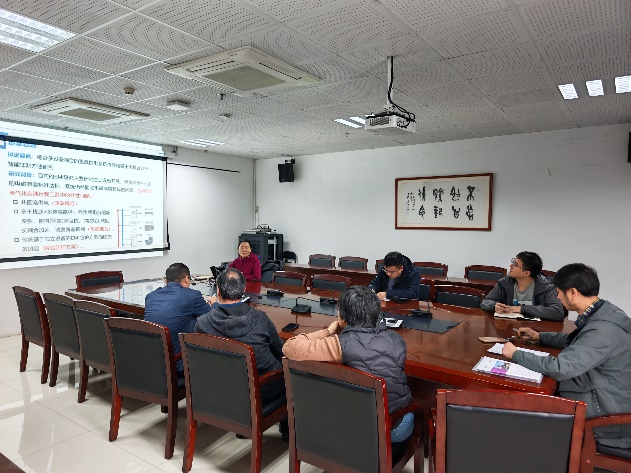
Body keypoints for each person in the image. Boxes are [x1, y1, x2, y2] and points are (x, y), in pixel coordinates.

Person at [502, 263, 631, 449]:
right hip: (607, 395)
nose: (557, 297)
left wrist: (516, 354)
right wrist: (541, 337)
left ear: (572, 292)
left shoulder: (602, 331)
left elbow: (560, 368)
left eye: (558, 292)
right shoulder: (605, 311)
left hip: (605, 418)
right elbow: (582, 342)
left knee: (526, 410)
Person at [282, 286, 413, 445]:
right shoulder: (397, 339)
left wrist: (329, 331)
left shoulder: (340, 345)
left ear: (343, 316)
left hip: (353, 426)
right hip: (395, 425)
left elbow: (290, 348)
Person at [194, 268, 288, 441]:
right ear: (244, 290)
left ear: (218, 291)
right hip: (262, 390)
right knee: (288, 373)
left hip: (221, 389)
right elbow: (281, 352)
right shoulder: (260, 318)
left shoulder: (202, 323)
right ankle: (288, 431)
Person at [144, 263, 212, 372]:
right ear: (186, 279)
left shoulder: (150, 296)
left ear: (166, 281)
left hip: (153, 360)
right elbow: (213, 315)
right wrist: (215, 302)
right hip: (178, 362)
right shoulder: (192, 295)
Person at [480, 251, 564, 321]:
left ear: (526, 273)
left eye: (515, 265)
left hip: (536, 329)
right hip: (509, 326)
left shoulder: (546, 287)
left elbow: (557, 312)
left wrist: (522, 309)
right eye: (513, 262)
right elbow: (485, 301)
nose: (511, 266)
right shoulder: (504, 283)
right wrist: (494, 306)